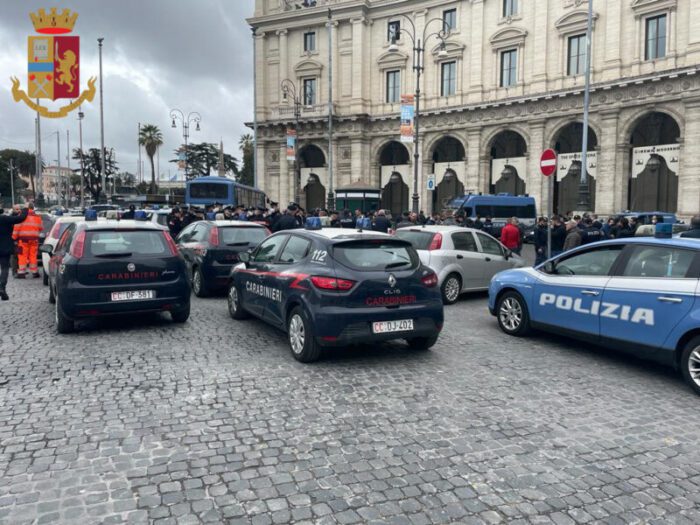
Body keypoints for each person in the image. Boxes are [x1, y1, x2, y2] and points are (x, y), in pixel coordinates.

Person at [0, 205, 29, 300]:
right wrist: (25, 209)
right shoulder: (4, 218)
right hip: (4, 248)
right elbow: (21, 218)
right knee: (4, 268)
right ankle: (2, 288)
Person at [12, 202, 42, 279]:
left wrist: (14, 238)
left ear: (27, 208)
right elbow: (41, 228)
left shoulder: (21, 217)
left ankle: (21, 272)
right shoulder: (37, 217)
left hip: (23, 240)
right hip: (34, 240)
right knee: (33, 255)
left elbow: (16, 228)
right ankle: (34, 272)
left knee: (22, 256)